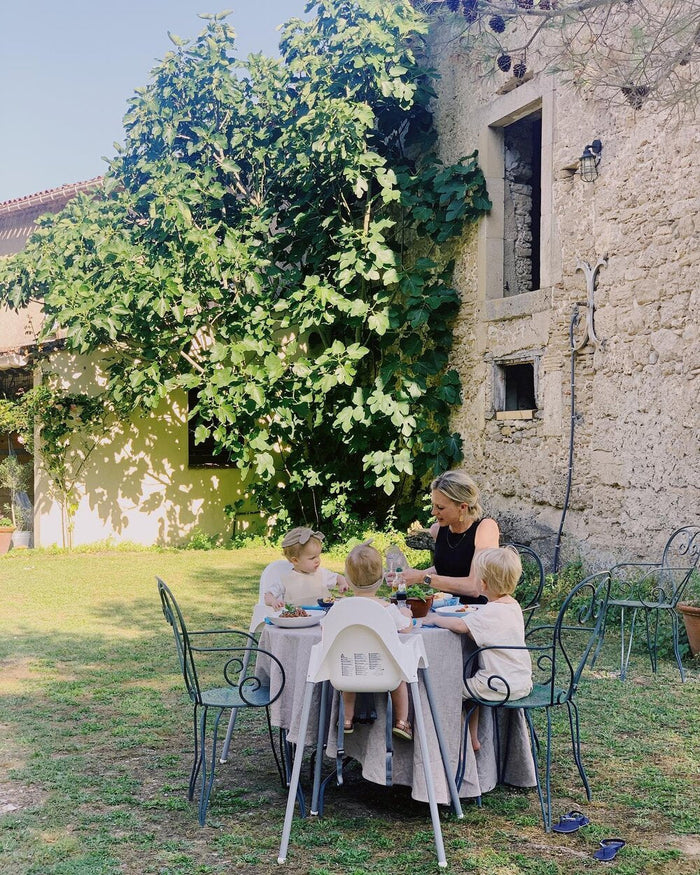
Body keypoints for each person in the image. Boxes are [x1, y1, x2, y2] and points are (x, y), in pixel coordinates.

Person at [430, 546, 532, 751]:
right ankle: (474, 738)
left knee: (448, 690)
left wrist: (434, 619)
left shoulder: (490, 611)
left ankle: (462, 744)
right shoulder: (513, 606)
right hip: (521, 681)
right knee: (471, 681)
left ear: (483, 584)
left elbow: (460, 626)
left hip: (498, 684)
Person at [341, 542, 414, 741]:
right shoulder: (388, 610)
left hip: (350, 667)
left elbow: (325, 626)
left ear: (348, 578)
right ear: (382, 577)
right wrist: (406, 613)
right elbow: (406, 627)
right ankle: (402, 721)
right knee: (401, 678)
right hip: (385, 670)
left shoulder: (342, 609)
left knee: (346, 680)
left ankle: (347, 719)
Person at [402, 470, 500, 604]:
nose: (433, 512)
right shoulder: (437, 530)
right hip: (446, 609)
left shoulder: (485, 529)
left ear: (462, 507)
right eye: (433, 505)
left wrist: (423, 577)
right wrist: (411, 575)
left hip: (481, 611)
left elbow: (474, 587)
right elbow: (448, 566)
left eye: (440, 508)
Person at [263, 527, 348, 609]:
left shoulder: (321, 573)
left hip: (324, 617)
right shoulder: (286, 580)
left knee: (344, 604)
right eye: (312, 558)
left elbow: (338, 577)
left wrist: (343, 583)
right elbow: (268, 596)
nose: (317, 560)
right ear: (295, 560)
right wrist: (274, 602)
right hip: (298, 619)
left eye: (318, 556)